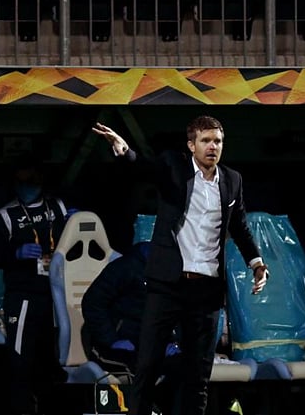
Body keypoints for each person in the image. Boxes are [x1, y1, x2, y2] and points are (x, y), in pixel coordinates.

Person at [93, 116, 270, 415]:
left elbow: (239, 225)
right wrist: (124, 150)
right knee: (147, 366)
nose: (212, 147)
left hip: (207, 289)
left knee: (198, 374)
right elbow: (143, 168)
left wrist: (256, 262)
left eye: (217, 141)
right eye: (205, 141)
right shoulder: (173, 168)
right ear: (191, 145)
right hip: (168, 285)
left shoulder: (232, 180)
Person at [0, 156, 71, 415]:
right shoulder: (5, 215)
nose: (27, 187)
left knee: (53, 360)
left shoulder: (58, 208)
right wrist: (16, 253)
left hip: (57, 296)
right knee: (20, 361)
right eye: (22, 182)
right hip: (22, 297)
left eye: (32, 181)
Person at [81, 242, 183, 414]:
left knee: (182, 367)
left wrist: (173, 341)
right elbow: (92, 303)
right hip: (114, 348)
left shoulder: (169, 274)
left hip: (150, 347)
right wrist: (112, 340)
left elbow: (174, 313)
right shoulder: (124, 268)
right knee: (141, 371)